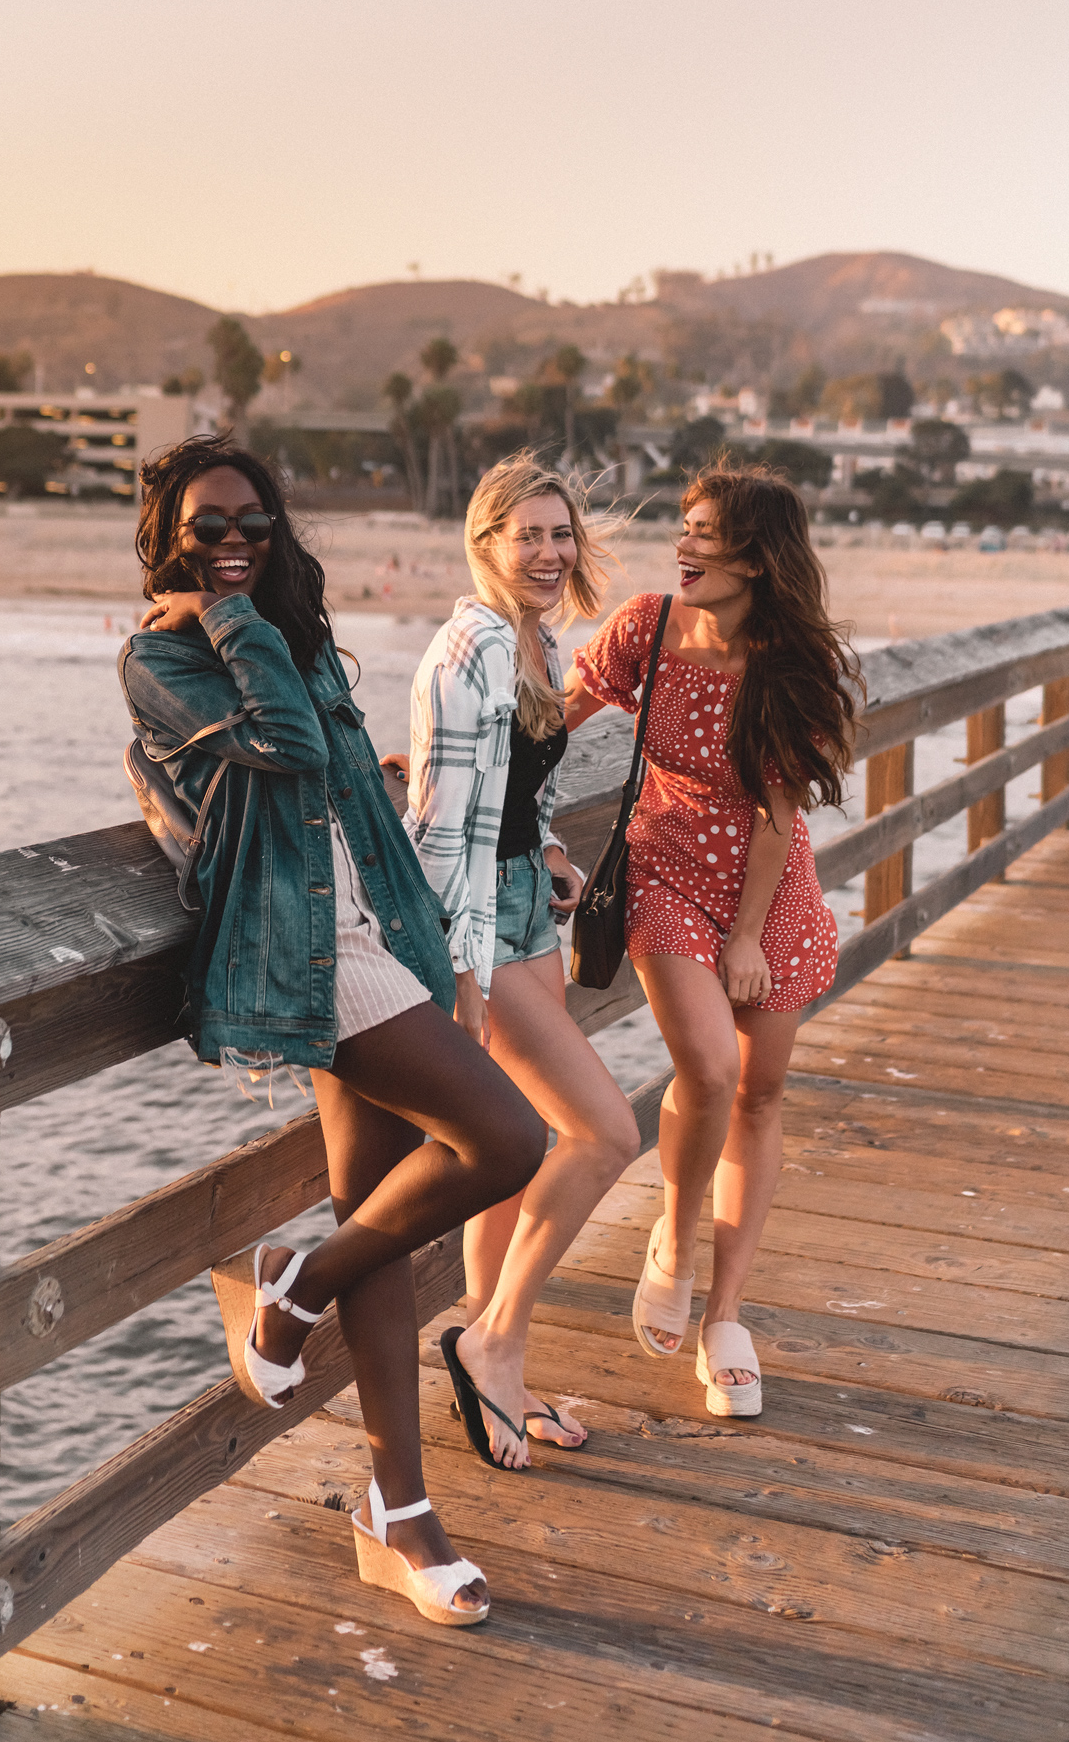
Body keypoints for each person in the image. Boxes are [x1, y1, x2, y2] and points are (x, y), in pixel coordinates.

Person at [119, 435, 545, 1626]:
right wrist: (223, 613)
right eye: (206, 526)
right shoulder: (161, 651)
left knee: (377, 1217)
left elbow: (337, 775)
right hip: (311, 955)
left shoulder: (291, 633)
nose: (234, 539)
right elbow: (288, 747)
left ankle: (396, 1509)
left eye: (251, 518)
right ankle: (293, 1284)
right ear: (168, 541)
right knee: (510, 1139)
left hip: (381, 929)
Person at [563, 463, 860, 1416]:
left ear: (759, 560)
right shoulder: (646, 628)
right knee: (709, 1069)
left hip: (766, 888)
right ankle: (675, 1238)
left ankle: (727, 1316)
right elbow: (552, 721)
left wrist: (747, 937)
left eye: (705, 533)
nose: (682, 545)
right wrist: (443, 749)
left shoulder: (785, 662)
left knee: (762, 1094)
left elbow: (777, 810)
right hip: (660, 869)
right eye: (682, 528)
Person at [381, 453, 641, 1470]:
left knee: (513, 1150)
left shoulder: (535, 641)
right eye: (525, 534)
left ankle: (500, 1364)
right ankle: (484, 1342)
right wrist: (464, 981)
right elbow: (442, 837)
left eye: (559, 533)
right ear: (483, 542)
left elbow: (511, 794)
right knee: (604, 1131)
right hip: (477, 923)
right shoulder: (465, 656)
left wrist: (559, 853)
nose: (547, 551)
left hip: (529, 900)